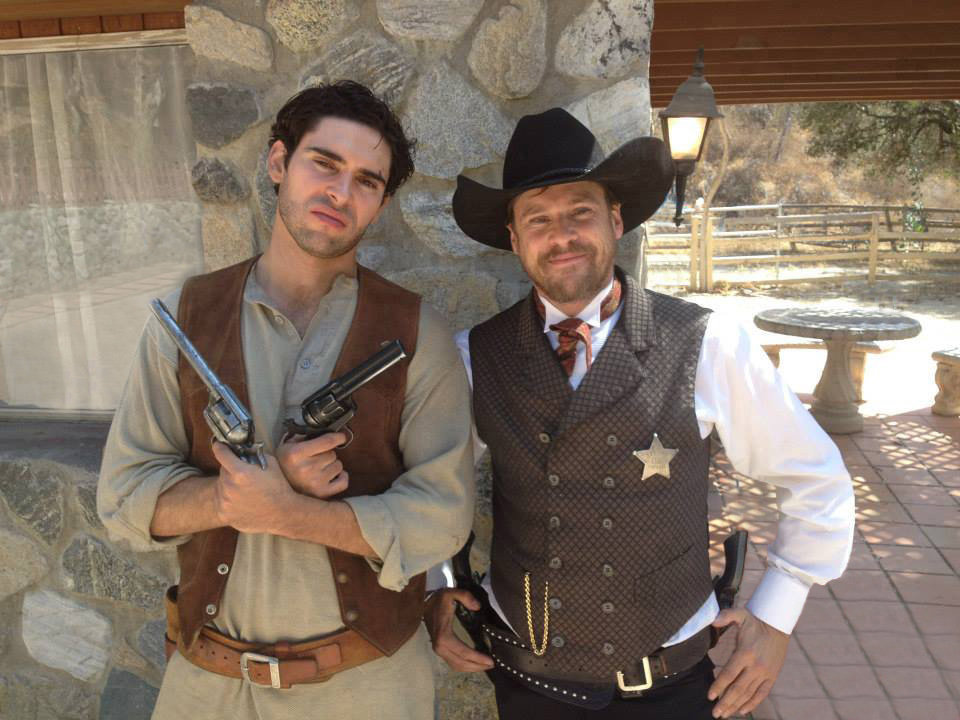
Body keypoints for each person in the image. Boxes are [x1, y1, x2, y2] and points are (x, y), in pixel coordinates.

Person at [424, 108, 855, 720]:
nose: (562, 235)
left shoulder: (707, 343)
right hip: (527, 682)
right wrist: (438, 584)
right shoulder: (474, 357)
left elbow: (818, 479)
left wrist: (776, 618)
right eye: (538, 220)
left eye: (580, 213)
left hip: (675, 687)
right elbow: (429, 483)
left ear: (616, 219)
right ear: (516, 240)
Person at [98, 81, 475, 720]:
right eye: (324, 164)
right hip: (206, 685)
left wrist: (292, 513)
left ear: (380, 204)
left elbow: (443, 516)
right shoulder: (188, 317)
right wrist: (227, 498)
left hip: (370, 688)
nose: (340, 192)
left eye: (367, 181)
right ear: (279, 163)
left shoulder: (417, 334)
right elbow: (123, 498)